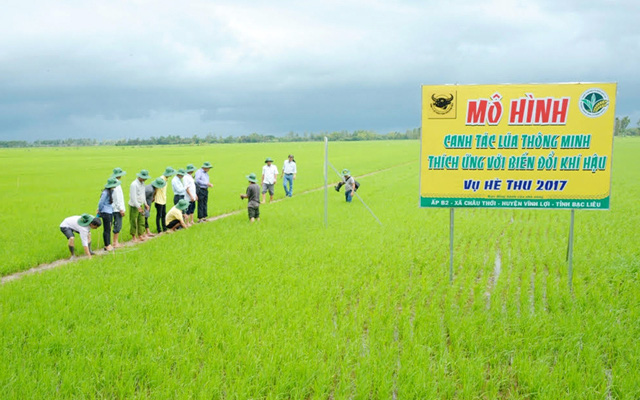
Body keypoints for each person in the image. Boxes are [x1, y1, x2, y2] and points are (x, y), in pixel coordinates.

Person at [97, 177, 120, 251]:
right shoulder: (105, 192)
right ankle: (107, 245)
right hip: (106, 212)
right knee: (107, 229)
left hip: (110, 212)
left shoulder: (111, 191)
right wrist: (100, 210)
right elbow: (101, 203)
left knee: (109, 228)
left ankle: (108, 244)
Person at [129, 169, 150, 242]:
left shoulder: (143, 184)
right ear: (140, 177)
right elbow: (133, 197)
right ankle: (134, 236)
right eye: (144, 178)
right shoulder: (134, 184)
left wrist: (146, 204)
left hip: (141, 204)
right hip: (134, 206)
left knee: (141, 220)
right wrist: (138, 207)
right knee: (134, 221)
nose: (145, 179)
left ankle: (140, 235)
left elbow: (143, 195)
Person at [154, 167, 175, 233]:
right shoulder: (161, 179)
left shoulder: (166, 179)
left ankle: (164, 228)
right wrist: (154, 197)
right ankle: (159, 230)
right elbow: (156, 188)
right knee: (159, 215)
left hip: (163, 200)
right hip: (159, 200)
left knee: (163, 215)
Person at [111, 167, 127, 248]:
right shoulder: (116, 184)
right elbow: (117, 198)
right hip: (117, 209)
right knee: (118, 225)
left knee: (116, 224)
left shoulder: (115, 182)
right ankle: (115, 242)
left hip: (115, 208)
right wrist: (121, 209)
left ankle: (115, 242)